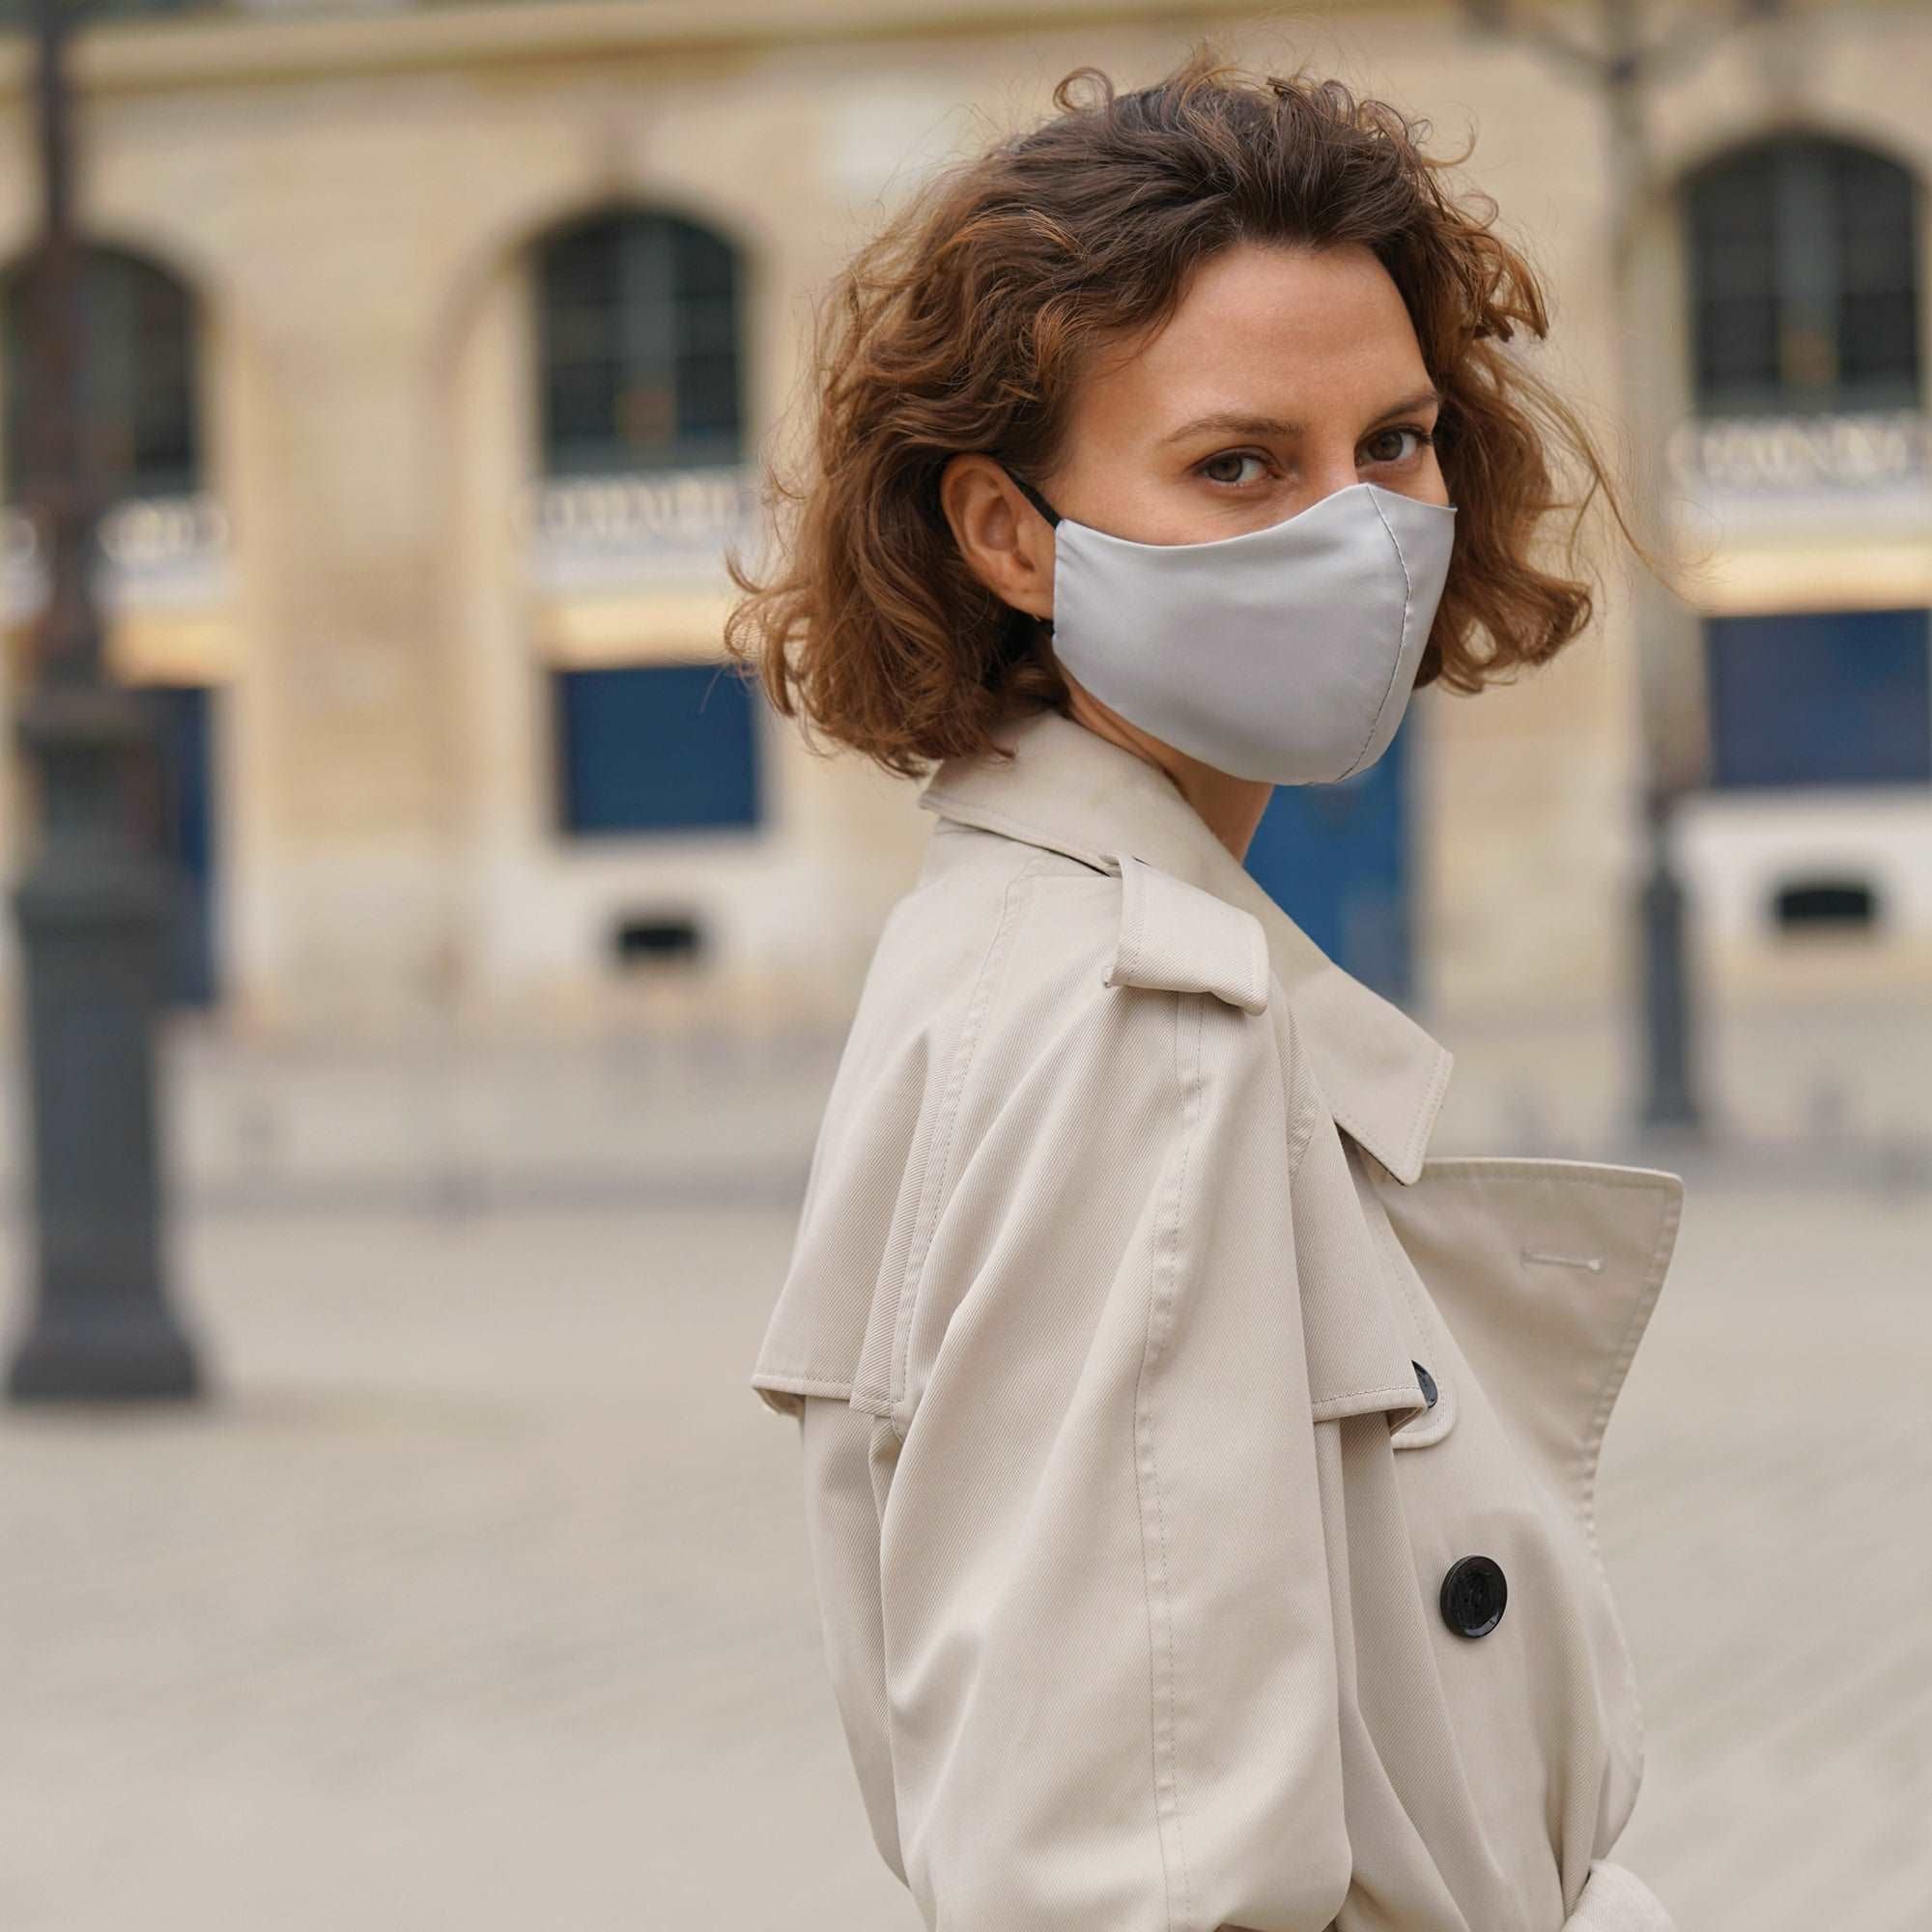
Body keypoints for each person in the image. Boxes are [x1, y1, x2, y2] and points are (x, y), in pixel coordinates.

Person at [731, 50, 1686, 1932]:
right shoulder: (1138, 1028)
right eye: (1238, 463)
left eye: (1393, 443)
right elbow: (1129, 1878)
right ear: (1009, 532)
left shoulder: (1037, 933)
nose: (1355, 528)